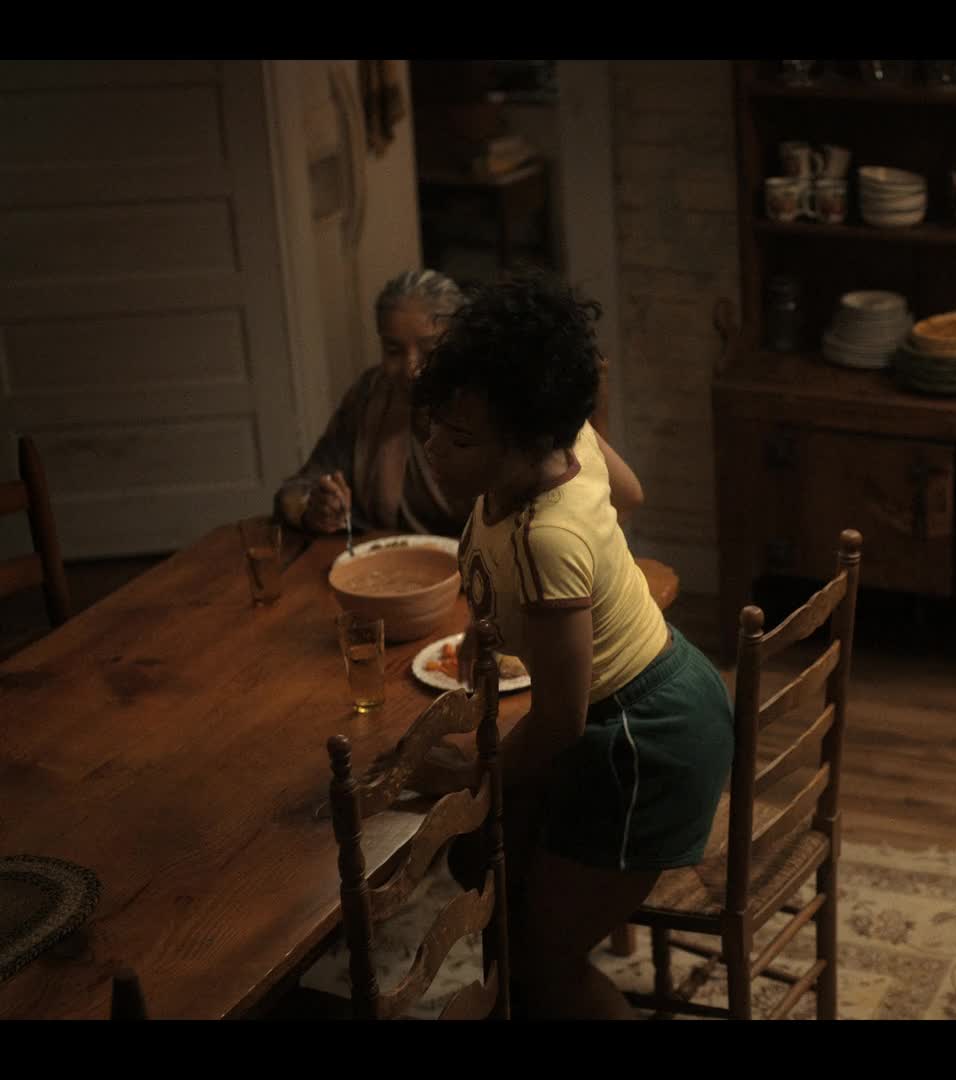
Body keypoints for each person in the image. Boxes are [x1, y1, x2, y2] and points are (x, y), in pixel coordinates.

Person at [409, 272, 733, 1019]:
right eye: (436, 427)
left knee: (540, 964)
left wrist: (476, 772)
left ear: (527, 444)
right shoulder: (567, 439)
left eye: (460, 440)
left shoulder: (546, 538)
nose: (433, 450)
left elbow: (559, 719)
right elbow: (629, 494)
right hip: (629, 708)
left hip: (644, 740)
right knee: (481, 861)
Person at [274, 269, 646, 537]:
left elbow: (605, 499)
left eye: (429, 349)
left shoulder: (506, 404)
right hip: (394, 575)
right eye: (393, 350)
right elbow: (295, 489)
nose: (411, 369)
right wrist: (311, 509)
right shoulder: (371, 397)